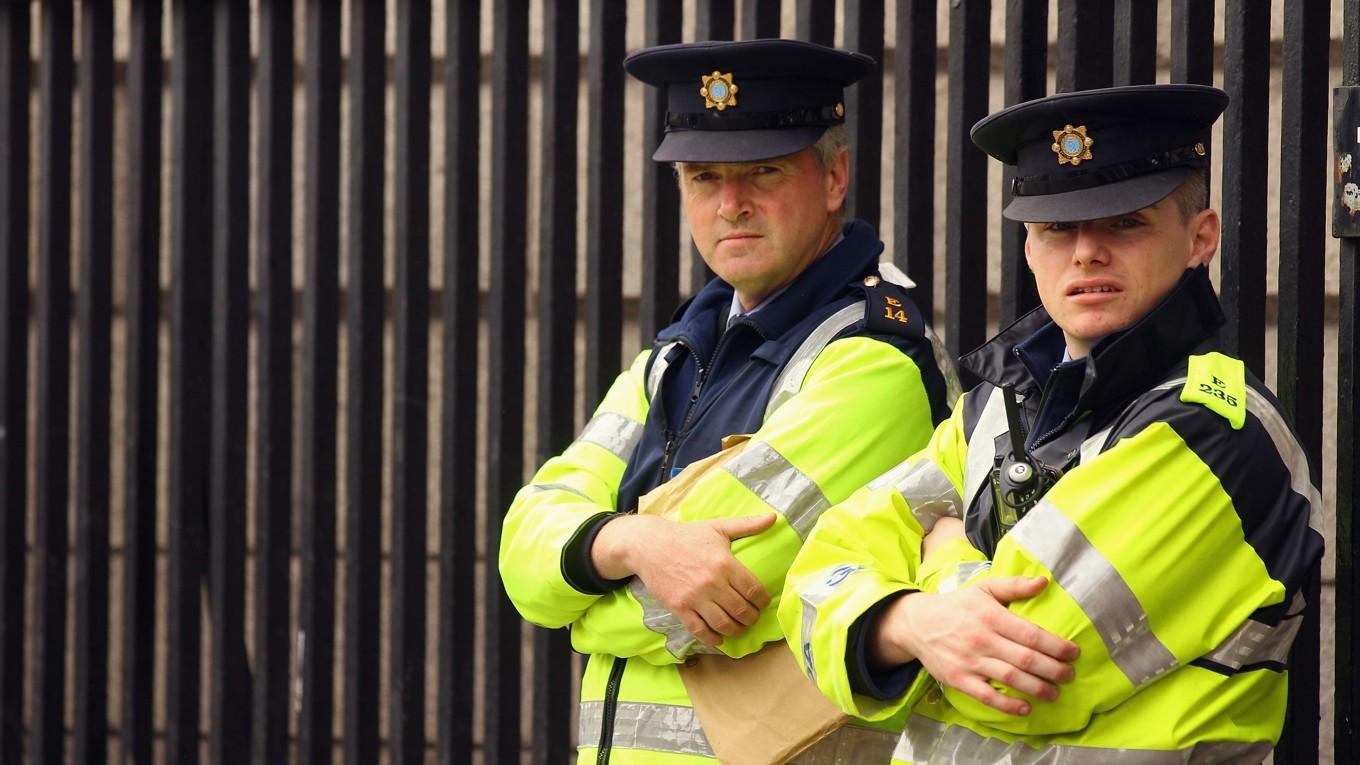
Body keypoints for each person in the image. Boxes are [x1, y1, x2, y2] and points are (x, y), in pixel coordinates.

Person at [781, 83, 1325, 763]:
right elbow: (807, 587)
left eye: (1126, 221)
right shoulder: (991, 408)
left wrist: (937, 553)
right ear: (1030, 247)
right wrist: (917, 621)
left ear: (1199, 238)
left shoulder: (1217, 429)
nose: (1087, 252)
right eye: (1058, 227)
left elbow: (1018, 673)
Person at [499, 39, 955, 763]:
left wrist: (578, 600)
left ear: (834, 177)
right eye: (703, 175)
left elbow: (693, 605)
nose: (731, 204)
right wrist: (629, 542)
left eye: (763, 171)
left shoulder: (873, 361)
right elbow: (521, 546)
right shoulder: (680, 350)